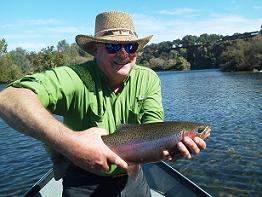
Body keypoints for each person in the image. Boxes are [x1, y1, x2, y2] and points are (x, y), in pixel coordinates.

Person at [0, 11, 206, 196]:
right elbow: (8, 98)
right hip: (83, 178)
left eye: (130, 46)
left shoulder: (148, 79)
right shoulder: (75, 77)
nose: (123, 54)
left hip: (130, 177)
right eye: (112, 46)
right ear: (95, 49)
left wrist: (172, 148)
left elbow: (154, 126)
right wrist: (72, 144)